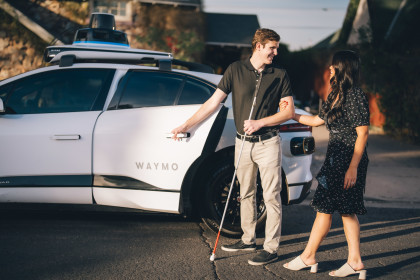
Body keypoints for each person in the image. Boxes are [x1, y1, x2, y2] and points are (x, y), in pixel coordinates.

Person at [171, 28, 295, 265]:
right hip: (242, 143)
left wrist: (261, 122)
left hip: (268, 143)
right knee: (245, 192)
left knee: (271, 196)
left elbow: (288, 111)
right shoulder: (235, 69)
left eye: (276, 48)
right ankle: (248, 239)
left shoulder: (280, 74)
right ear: (258, 46)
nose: (275, 53)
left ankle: (271, 248)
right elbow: (213, 103)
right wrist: (186, 125)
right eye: (272, 48)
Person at [282, 50, 369, 279]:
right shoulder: (335, 94)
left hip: (349, 160)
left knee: (346, 210)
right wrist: (291, 114)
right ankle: (316, 257)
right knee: (325, 207)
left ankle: (351, 261)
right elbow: (316, 120)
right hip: (333, 159)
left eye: (333, 66)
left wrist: (353, 167)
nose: (329, 69)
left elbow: (363, 134)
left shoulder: (356, 96)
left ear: (342, 68)